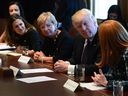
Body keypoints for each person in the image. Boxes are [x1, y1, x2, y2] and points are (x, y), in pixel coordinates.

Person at [54, 8, 103, 75]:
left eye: (85, 23)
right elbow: (75, 59)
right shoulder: (79, 38)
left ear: (94, 21)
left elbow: (98, 68)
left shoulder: (103, 38)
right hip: (80, 78)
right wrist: (65, 64)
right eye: (79, 26)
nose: (83, 28)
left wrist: (70, 68)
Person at [91, 20, 128, 90]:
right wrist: (102, 77)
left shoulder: (126, 53)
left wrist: (107, 83)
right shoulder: (115, 51)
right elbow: (116, 75)